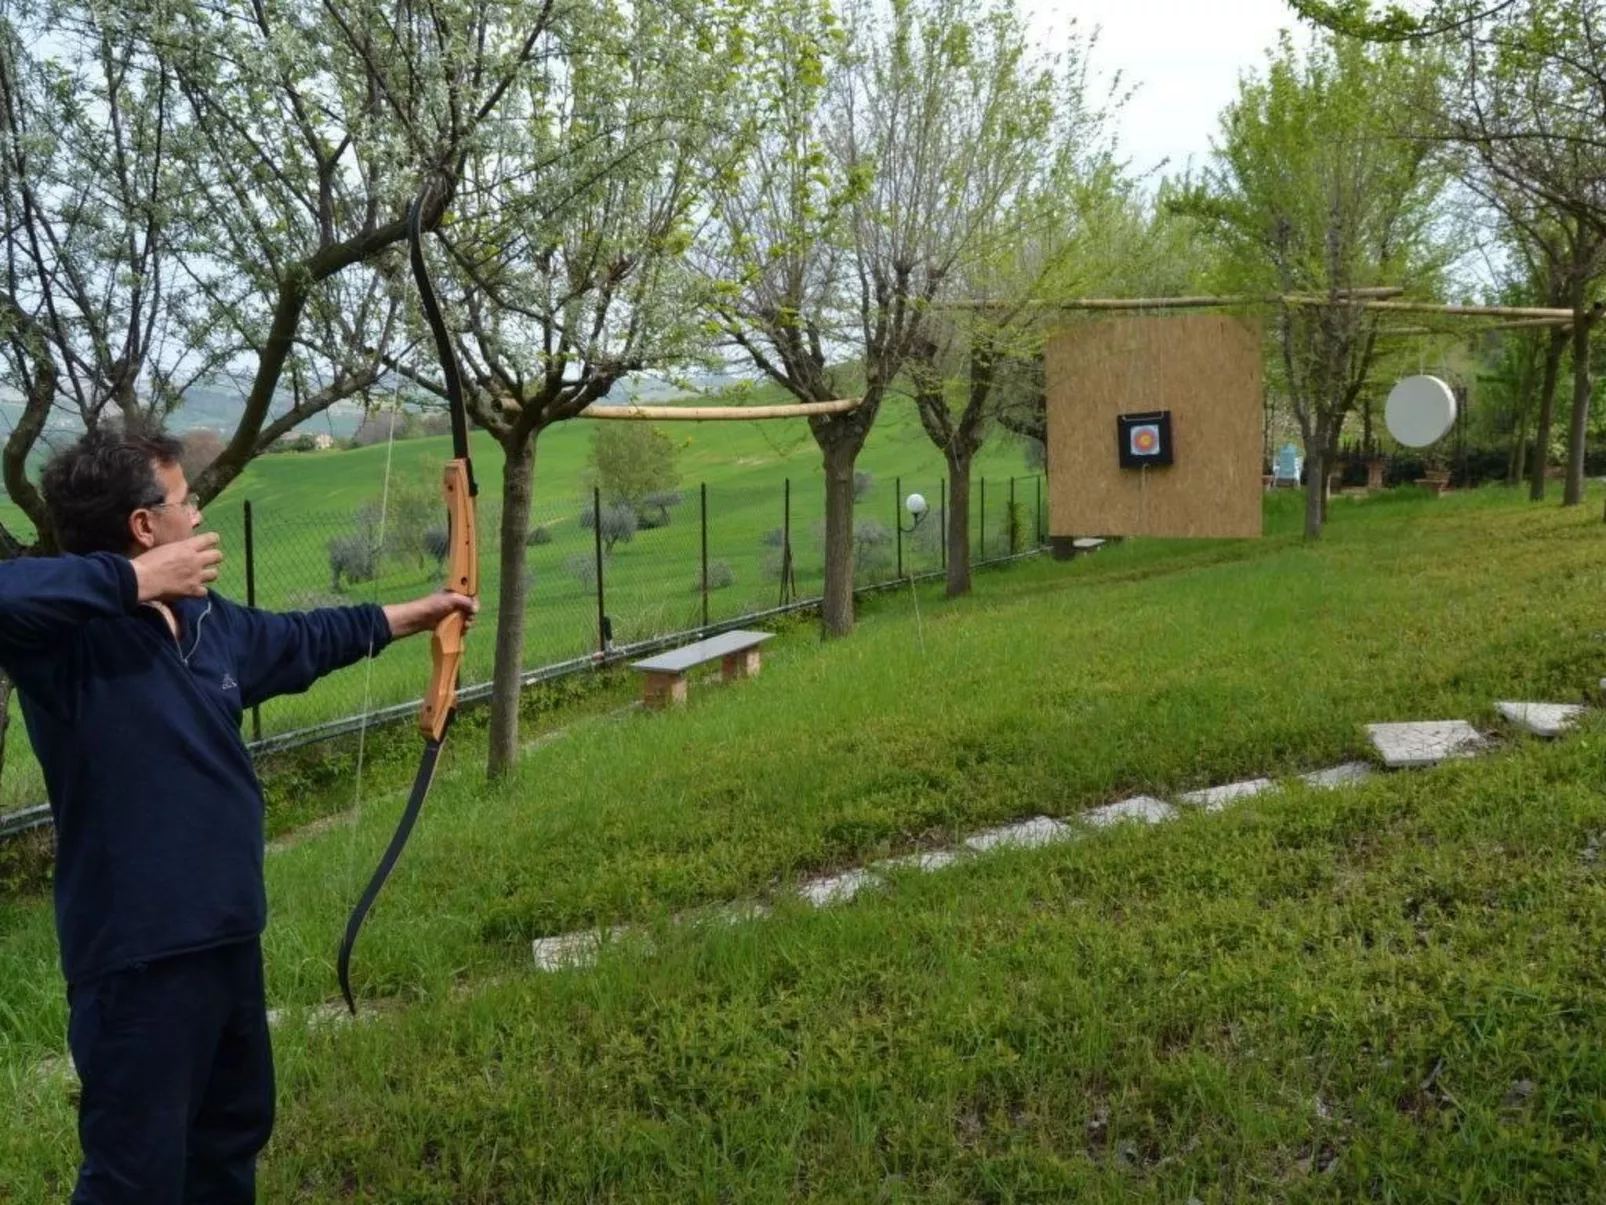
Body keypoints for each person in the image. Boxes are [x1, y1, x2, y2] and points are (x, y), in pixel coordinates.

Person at [0, 424, 476, 1204]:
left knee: (228, 1145)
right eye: (186, 503)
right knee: (135, 1176)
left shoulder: (208, 623)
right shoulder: (65, 640)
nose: (200, 520)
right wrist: (132, 584)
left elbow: (301, 639)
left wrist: (417, 613)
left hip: (227, 937)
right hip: (139, 962)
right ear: (145, 527)